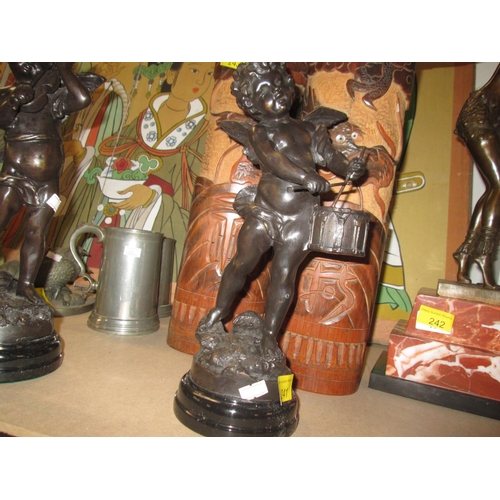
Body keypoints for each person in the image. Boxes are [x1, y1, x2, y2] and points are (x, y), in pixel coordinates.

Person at [201, 62, 366, 345]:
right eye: (264, 91)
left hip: (301, 218)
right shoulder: (260, 132)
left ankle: (269, 337)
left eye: (279, 85)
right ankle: (219, 310)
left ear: (290, 88)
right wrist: (306, 176)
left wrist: (350, 168)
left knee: (285, 276)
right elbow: (274, 160)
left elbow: (331, 158)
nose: (275, 92)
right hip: (265, 212)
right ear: (251, 104)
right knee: (241, 263)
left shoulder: (310, 129)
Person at [0, 62, 102, 303]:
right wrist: (14, 100)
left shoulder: (52, 97)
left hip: (47, 183)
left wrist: (64, 70)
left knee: (36, 233)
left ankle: (26, 285)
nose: (30, 63)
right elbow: (3, 120)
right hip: (14, 177)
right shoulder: (6, 95)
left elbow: (82, 99)